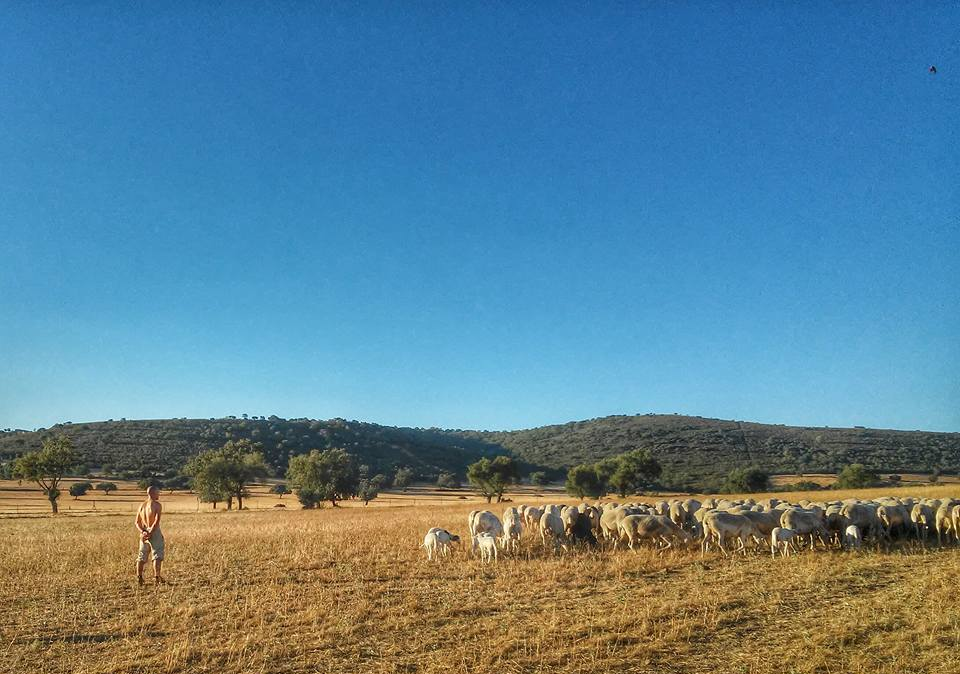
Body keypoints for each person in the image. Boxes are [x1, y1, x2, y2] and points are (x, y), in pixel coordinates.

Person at [135, 486, 164, 585]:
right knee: (157, 555)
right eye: (157, 493)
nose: (159, 494)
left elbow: (137, 522)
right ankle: (157, 577)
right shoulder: (157, 505)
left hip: (144, 532)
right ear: (152, 493)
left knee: (142, 555)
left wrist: (143, 532)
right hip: (154, 531)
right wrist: (151, 532)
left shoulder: (141, 506)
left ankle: (139, 577)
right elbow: (156, 521)